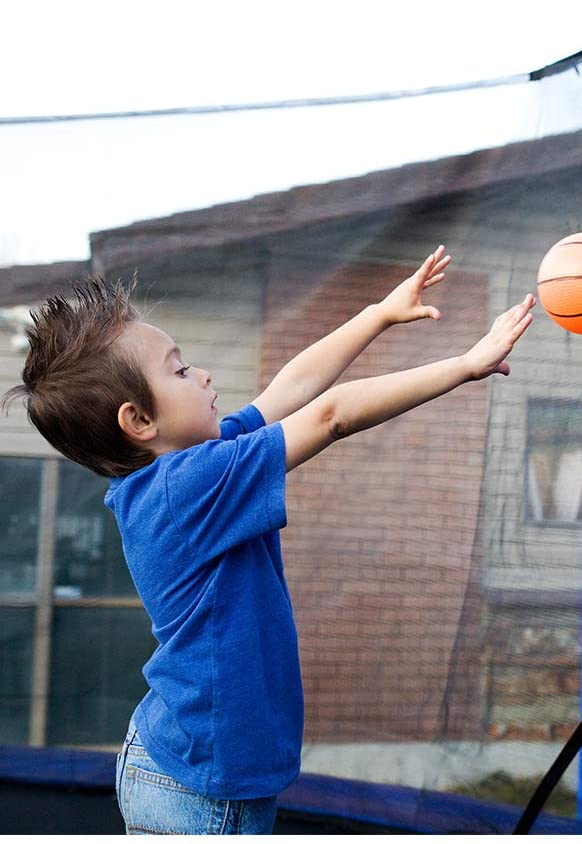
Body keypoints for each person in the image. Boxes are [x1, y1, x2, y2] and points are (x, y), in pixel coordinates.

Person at [1, 247, 535, 834]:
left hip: (195, 771)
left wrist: (380, 314)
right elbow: (330, 415)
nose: (203, 375)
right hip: (199, 789)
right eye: (179, 371)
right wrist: (465, 364)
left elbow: (294, 386)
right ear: (139, 422)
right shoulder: (185, 489)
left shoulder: (189, 468)